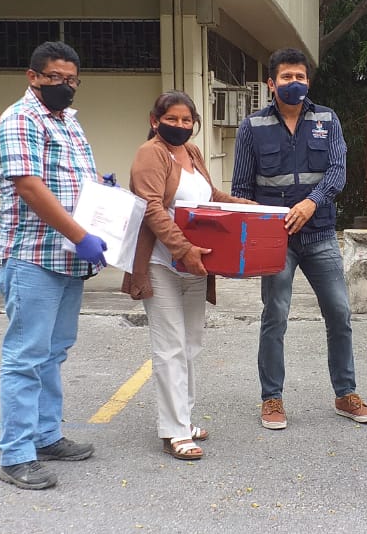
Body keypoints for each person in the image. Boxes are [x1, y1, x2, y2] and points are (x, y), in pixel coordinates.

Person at [231, 47, 367, 430]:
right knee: (275, 315)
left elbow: (337, 171)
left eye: (300, 77)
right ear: (271, 83)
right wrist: (257, 231)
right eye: (286, 77)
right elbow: (241, 189)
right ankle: (272, 398)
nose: (293, 83)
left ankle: (346, 394)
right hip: (275, 239)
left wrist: (312, 202)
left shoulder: (327, 120)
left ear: (308, 81)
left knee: (339, 312)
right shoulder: (252, 127)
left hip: (320, 234)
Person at [0, 41, 109, 490]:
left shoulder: (68, 122)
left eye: (72, 79)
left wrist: (101, 190)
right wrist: (81, 236)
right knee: (25, 357)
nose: (65, 86)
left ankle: (46, 436)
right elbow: (30, 187)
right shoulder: (20, 119)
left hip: (67, 260)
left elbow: (73, 180)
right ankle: (16, 455)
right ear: (33, 77)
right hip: (32, 256)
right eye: (55, 77)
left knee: (53, 352)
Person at [122, 90, 257, 460]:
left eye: (186, 120)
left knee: (191, 343)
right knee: (169, 347)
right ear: (155, 121)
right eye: (172, 119)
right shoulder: (150, 154)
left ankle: (183, 417)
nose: (180, 126)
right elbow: (152, 207)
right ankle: (175, 430)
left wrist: (250, 208)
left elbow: (210, 196)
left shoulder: (193, 152)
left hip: (196, 264)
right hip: (162, 263)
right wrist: (183, 249)